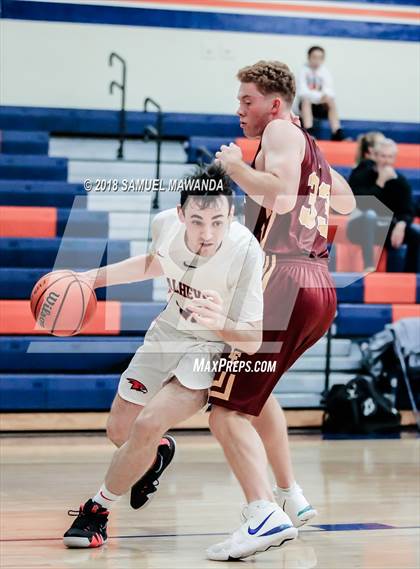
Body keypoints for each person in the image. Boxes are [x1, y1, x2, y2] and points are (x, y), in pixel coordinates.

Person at [63, 164, 266, 548]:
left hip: (208, 347)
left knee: (147, 424)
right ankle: (156, 456)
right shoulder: (164, 225)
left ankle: (97, 512)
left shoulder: (245, 252)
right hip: (167, 334)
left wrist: (220, 321)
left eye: (218, 222)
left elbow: (254, 339)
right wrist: (91, 278)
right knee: (120, 431)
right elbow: (153, 262)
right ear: (179, 215)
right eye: (197, 221)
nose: (207, 234)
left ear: (233, 216)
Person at [204, 60, 355, 561]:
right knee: (256, 394)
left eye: (247, 100)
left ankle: (264, 513)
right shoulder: (305, 143)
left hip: (285, 277)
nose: (239, 110)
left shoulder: (278, 132)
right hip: (318, 284)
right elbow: (349, 203)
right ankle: (292, 494)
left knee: (225, 411)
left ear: (274, 102)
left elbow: (285, 199)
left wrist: (236, 167)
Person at [347, 136, 420, 272]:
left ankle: (411, 276)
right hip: (359, 226)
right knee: (370, 215)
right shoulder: (361, 173)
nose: (386, 161)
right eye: (383, 156)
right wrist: (380, 182)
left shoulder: (400, 181)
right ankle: (369, 266)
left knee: (416, 234)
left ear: (394, 158)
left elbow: (408, 209)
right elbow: (362, 203)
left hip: (384, 228)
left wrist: (401, 224)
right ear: (375, 156)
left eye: (390, 157)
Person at [297, 46, 345, 141]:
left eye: (320, 58)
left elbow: (330, 91)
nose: (317, 60)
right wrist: (318, 96)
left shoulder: (325, 72)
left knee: (330, 101)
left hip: (320, 105)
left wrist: (323, 97)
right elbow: (302, 92)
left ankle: (336, 132)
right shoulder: (303, 71)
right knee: (306, 101)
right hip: (306, 105)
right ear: (309, 57)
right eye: (314, 57)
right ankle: (309, 131)